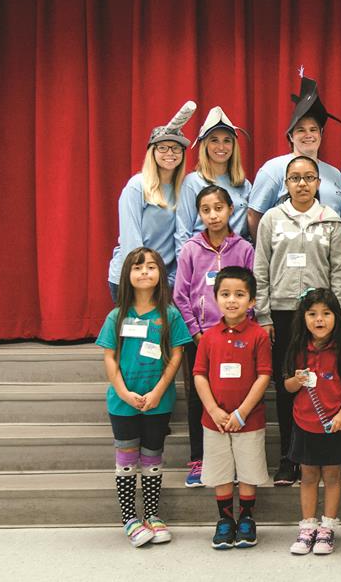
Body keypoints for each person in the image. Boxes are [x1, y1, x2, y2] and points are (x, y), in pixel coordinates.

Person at [253, 156, 341, 487]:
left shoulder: (330, 220)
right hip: (282, 312)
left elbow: (340, 270)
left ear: (318, 183)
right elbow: (261, 268)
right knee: (288, 384)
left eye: (309, 177)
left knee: (322, 380)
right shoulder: (271, 219)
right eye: (295, 178)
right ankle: (288, 457)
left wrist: (338, 315)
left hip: (320, 314)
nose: (302, 183)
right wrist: (263, 314)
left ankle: (321, 451)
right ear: (286, 183)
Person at [95, 247, 192, 547]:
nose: (144, 272)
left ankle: (152, 514)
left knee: (152, 458)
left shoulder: (170, 315)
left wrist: (159, 391)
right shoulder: (117, 316)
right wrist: (123, 393)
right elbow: (109, 358)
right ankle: (129, 519)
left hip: (157, 401)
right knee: (126, 459)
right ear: (127, 276)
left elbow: (176, 357)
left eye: (151, 267)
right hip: (122, 403)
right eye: (137, 268)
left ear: (161, 274)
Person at [173, 185, 255, 487]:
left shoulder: (244, 249)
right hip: (203, 339)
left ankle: (235, 460)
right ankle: (199, 458)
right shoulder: (191, 250)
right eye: (206, 210)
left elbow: (253, 293)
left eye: (218, 208)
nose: (213, 215)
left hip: (238, 336)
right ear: (199, 214)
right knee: (200, 397)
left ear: (231, 210)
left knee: (234, 393)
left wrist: (244, 328)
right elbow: (180, 296)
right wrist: (196, 333)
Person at [192, 267, 272, 549]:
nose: (232, 300)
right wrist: (214, 410)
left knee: (249, 469)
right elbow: (199, 375)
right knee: (221, 471)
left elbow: (264, 375)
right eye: (225, 294)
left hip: (248, 420)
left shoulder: (259, 336)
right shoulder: (209, 337)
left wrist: (242, 413)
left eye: (240, 294)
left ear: (252, 301)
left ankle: (247, 518)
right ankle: (225, 520)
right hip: (214, 420)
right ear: (215, 298)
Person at [284, 289, 341, 555]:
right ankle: (307, 528)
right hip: (304, 423)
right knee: (307, 475)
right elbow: (287, 386)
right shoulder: (296, 347)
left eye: (326, 314)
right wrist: (296, 381)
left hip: (334, 425)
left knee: (332, 475)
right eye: (313, 314)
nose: (320, 319)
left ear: (337, 317)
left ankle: (327, 528)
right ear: (303, 318)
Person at [107, 103, 194, 300]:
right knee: (136, 330)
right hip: (133, 275)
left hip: (164, 278)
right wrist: (142, 276)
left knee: (162, 331)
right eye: (162, 147)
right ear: (152, 152)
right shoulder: (137, 186)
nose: (170, 153)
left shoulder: (184, 187)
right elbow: (131, 239)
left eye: (176, 148)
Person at [247, 76, 341, 236]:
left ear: (321, 134)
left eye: (313, 130)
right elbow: (254, 215)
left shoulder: (336, 175)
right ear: (291, 136)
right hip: (284, 256)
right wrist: (267, 254)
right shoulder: (273, 170)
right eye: (301, 130)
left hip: (325, 257)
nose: (308, 135)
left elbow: (338, 221)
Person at [175, 106, 252, 252]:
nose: (221, 146)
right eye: (214, 140)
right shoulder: (192, 183)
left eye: (227, 140)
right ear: (204, 145)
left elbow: (249, 233)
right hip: (202, 261)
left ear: (234, 145)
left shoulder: (244, 185)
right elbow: (182, 234)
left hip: (236, 262)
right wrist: (186, 269)